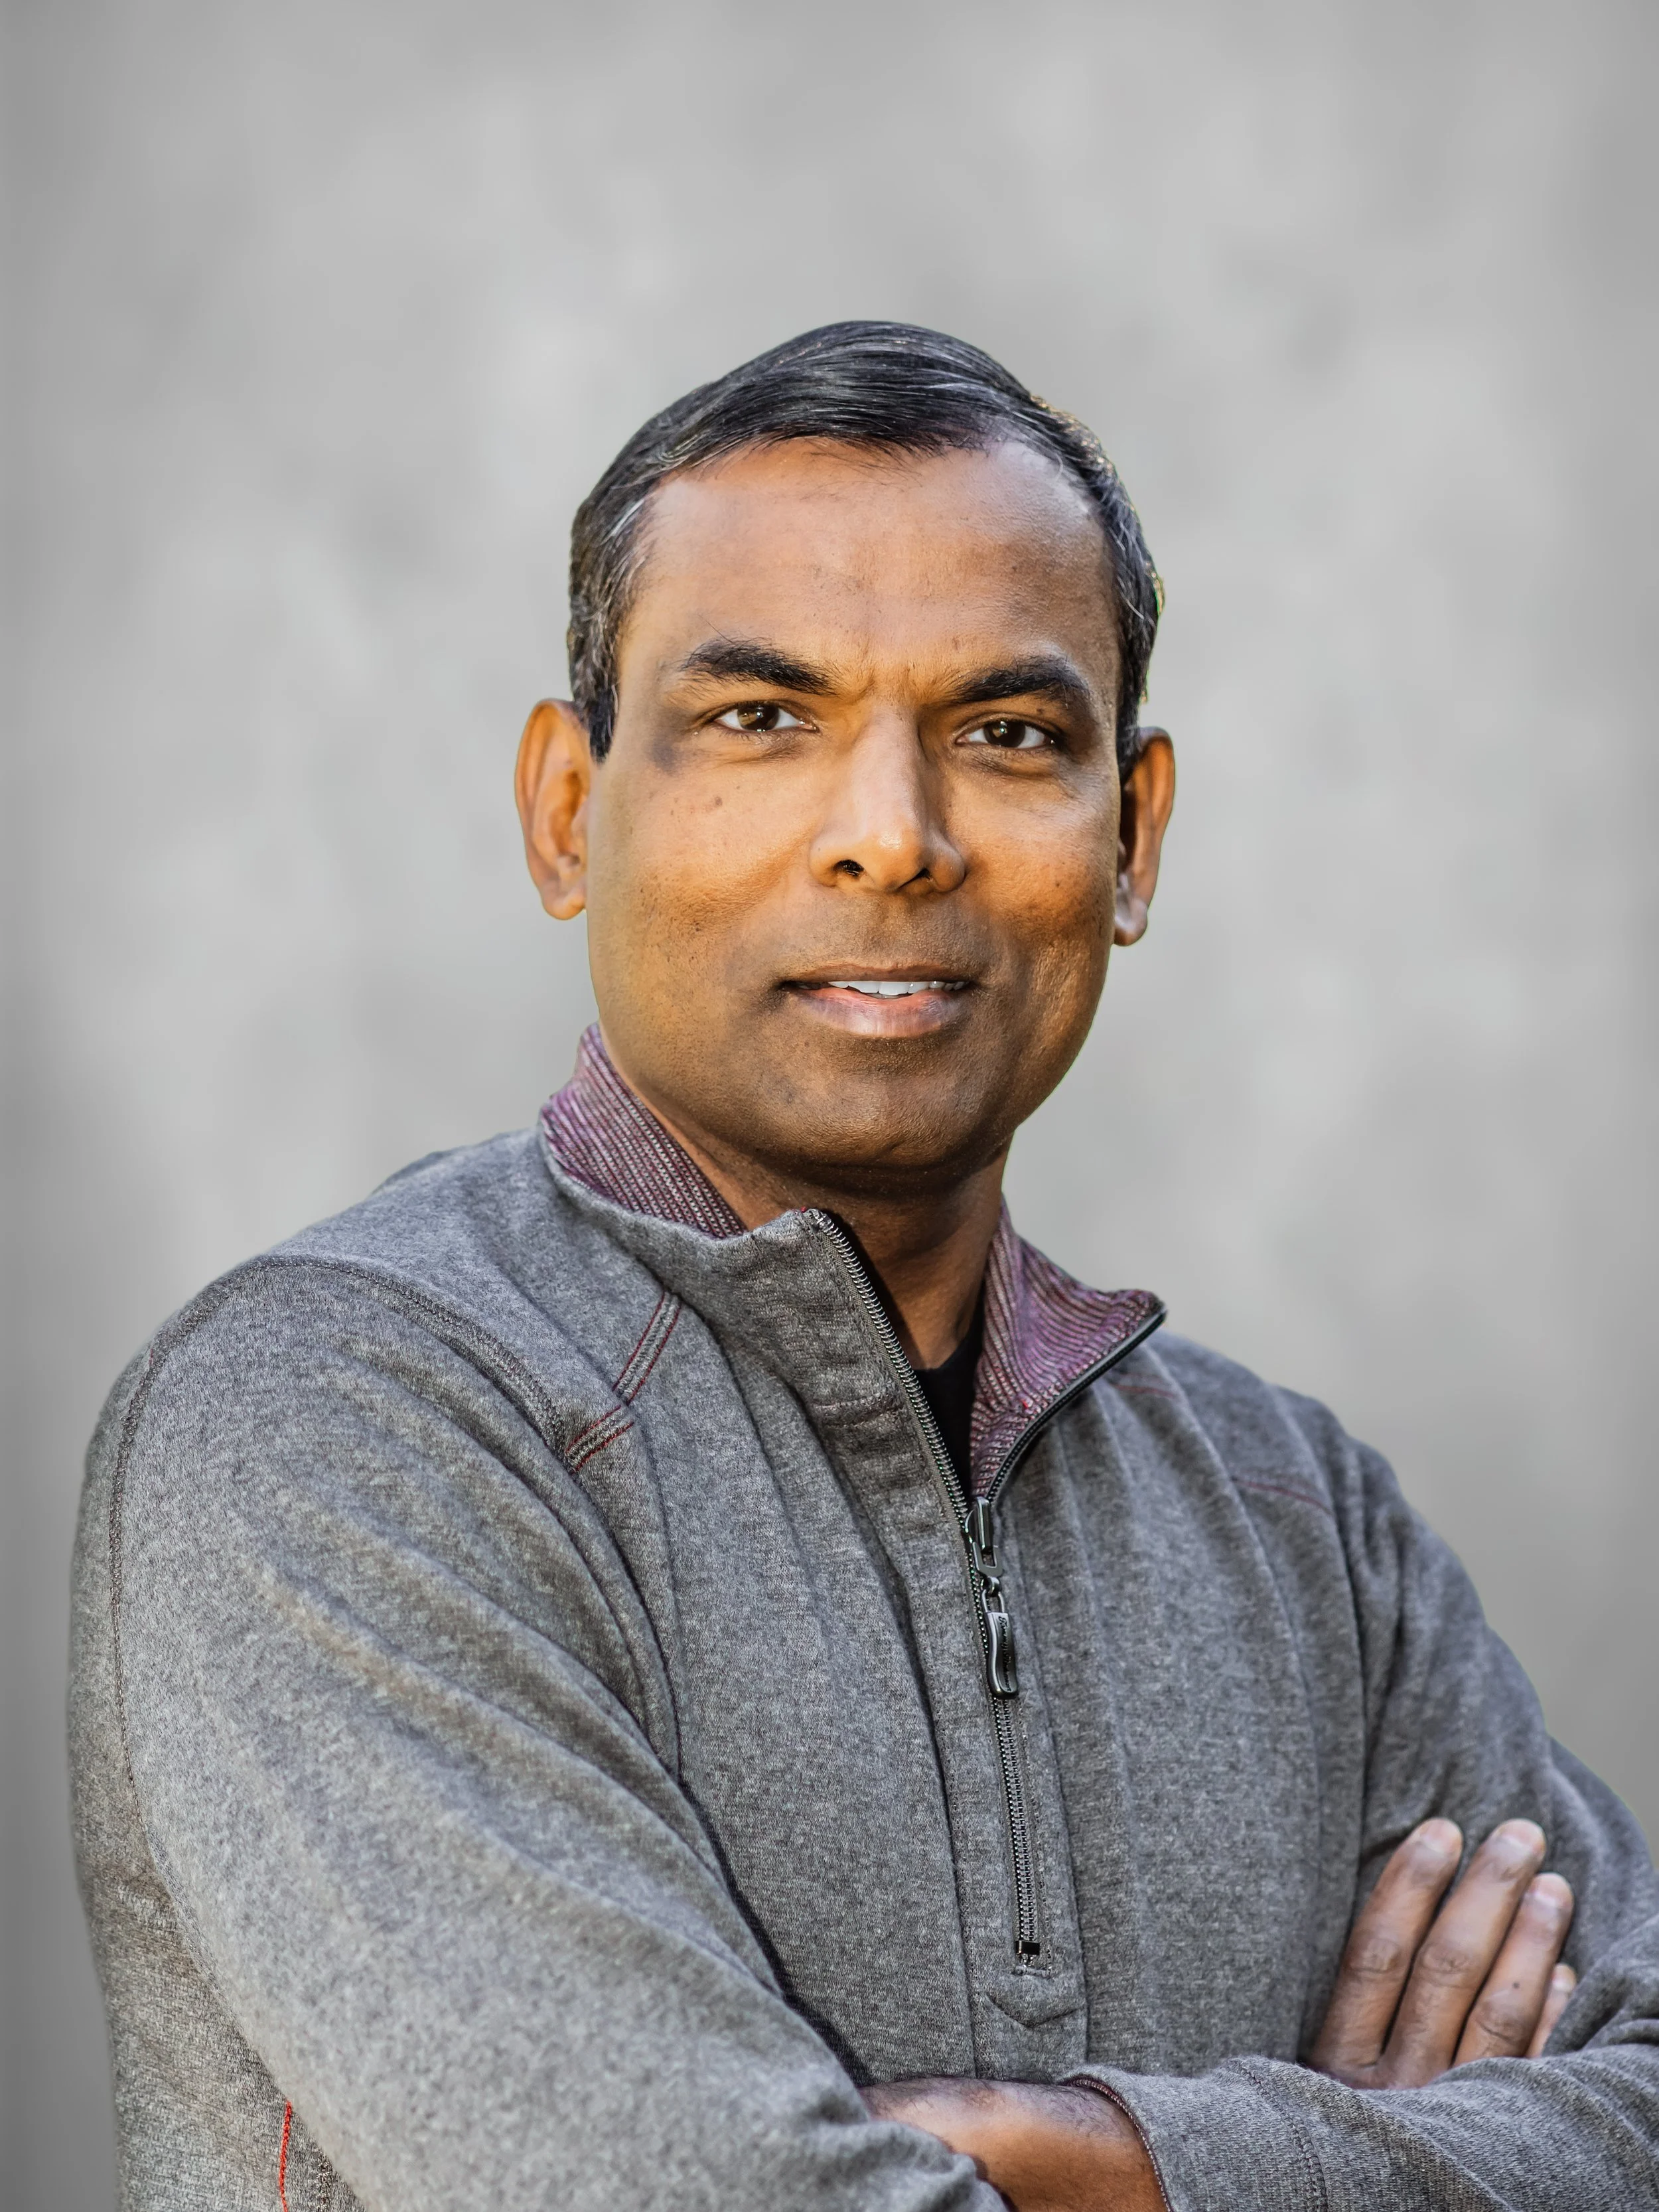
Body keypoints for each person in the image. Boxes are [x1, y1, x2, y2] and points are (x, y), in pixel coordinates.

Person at [71, 323, 1658, 2212]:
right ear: (566, 810)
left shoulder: (1300, 1524)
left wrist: (1127, 2162)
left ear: (1130, 835)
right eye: (761, 718)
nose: (891, 836)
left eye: (1006, 735)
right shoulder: (335, 1420)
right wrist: (1406, 2168)